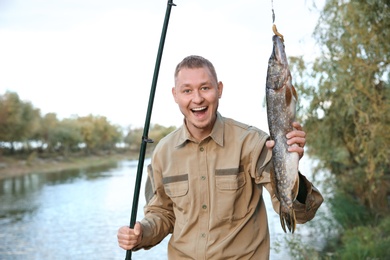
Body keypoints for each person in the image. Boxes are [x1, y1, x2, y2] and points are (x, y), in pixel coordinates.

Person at [117, 55, 323, 259]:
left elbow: (298, 212)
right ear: (175, 95)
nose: (197, 99)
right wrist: (141, 233)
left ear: (219, 89)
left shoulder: (252, 142)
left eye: (205, 88)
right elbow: (162, 213)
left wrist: (289, 164)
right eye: (187, 90)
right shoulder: (163, 152)